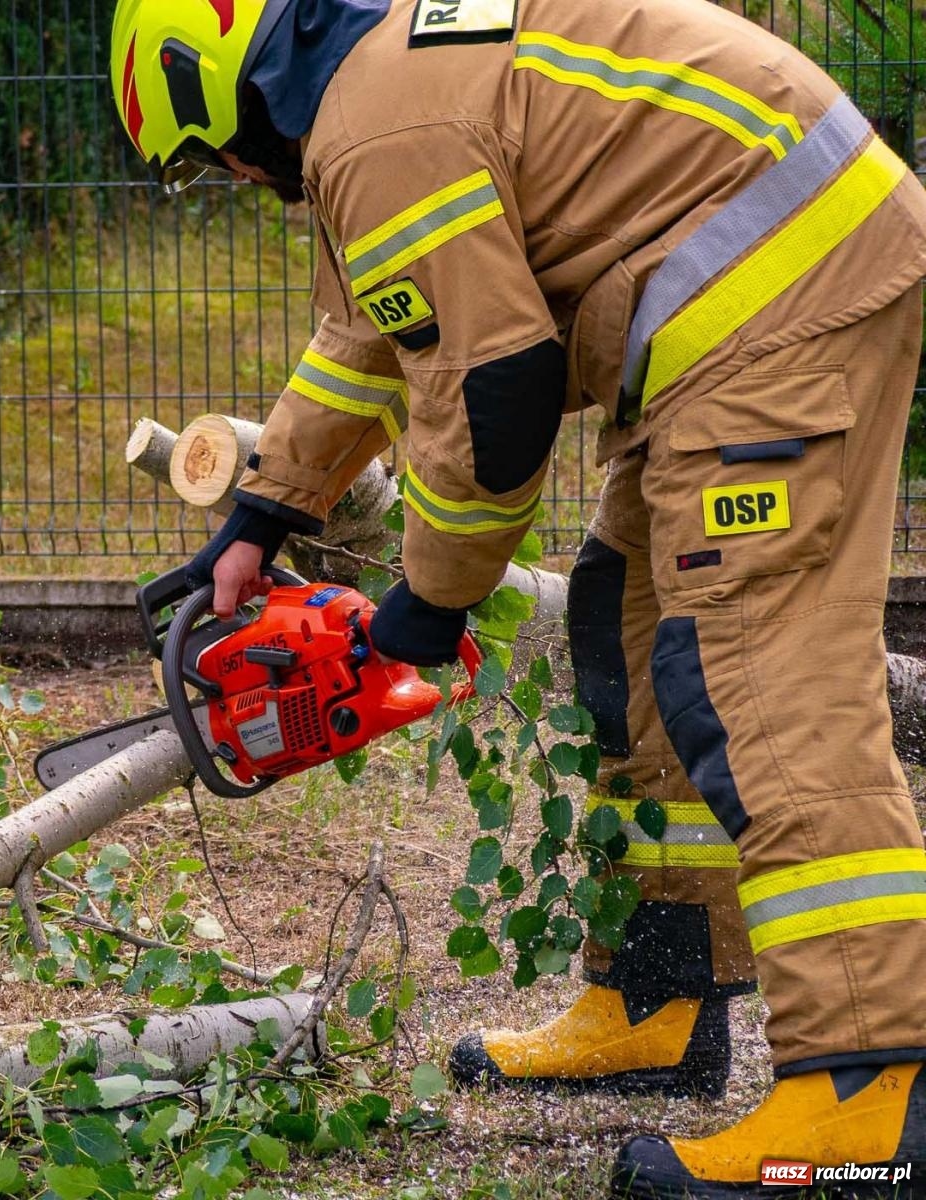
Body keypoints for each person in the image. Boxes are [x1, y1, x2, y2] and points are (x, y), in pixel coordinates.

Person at [111, 0, 926, 1194]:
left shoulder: (376, 130)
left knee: (756, 675)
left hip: (777, 301)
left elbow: (493, 394)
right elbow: (371, 333)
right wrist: (265, 509)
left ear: (220, 83)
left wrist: (424, 610)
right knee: (625, 634)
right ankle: (655, 996)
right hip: (745, 296)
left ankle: (866, 1096)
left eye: (206, 154)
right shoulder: (379, 93)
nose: (236, 176)